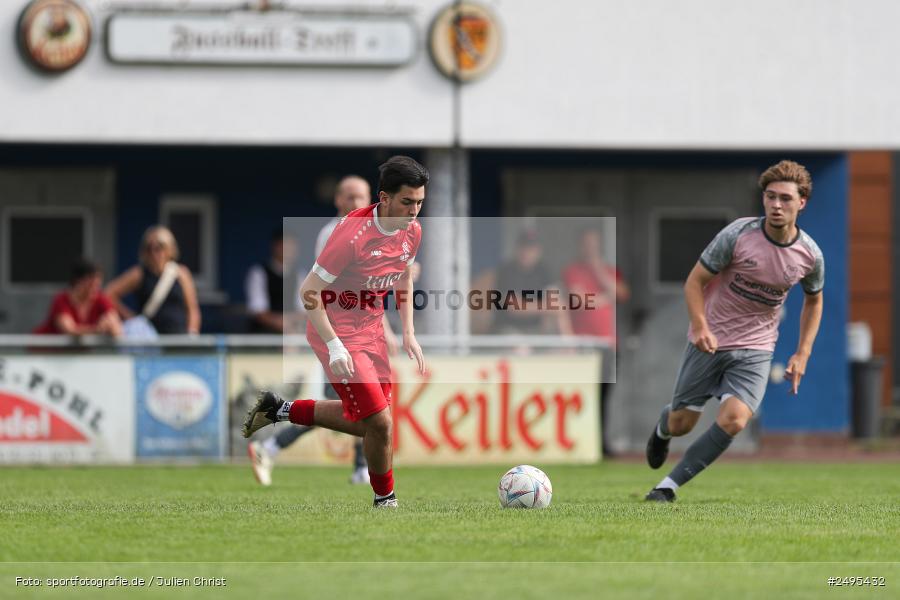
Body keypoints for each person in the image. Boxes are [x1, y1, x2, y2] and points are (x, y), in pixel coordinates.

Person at [242, 156, 428, 508]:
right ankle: (385, 500)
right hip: (337, 328)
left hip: (371, 328)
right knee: (382, 423)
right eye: (407, 202)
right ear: (384, 197)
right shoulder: (349, 235)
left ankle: (280, 409)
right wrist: (334, 345)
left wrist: (407, 332)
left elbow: (403, 275)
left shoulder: (412, 231)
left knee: (367, 424)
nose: (414, 211)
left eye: (420, 202)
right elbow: (308, 292)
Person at [644, 160, 824, 502]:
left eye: (785, 199)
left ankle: (666, 488)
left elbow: (814, 302)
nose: (776, 205)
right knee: (683, 423)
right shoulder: (738, 235)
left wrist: (802, 353)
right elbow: (695, 282)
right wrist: (699, 325)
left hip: (756, 349)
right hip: (710, 341)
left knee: (735, 420)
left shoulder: (809, 256)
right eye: (770, 197)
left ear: (802, 203)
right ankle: (662, 428)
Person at [247, 176, 392, 486]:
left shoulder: (370, 231)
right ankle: (278, 436)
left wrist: (387, 329)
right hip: (342, 334)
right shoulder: (336, 232)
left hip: (363, 333)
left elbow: (371, 291)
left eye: (361, 197)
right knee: (356, 408)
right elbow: (332, 290)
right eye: (350, 197)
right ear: (338, 201)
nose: (356, 203)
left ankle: (354, 466)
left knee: (363, 408)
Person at [562, 228, 630, 457]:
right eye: (586, 243)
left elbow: (620, 294)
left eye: (594, 243)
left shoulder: (608, 271)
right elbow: (581, 301)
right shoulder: (573, 271)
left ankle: (602, 443)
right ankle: (578, 442)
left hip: (607, 343)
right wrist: (604, 298)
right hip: (584, 343)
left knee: (604, 396)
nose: (590, 248)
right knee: (582, 395)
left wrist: (599, 270)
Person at [105, 225, 201, 335]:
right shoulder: (139, 274)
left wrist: (192, 333)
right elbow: (109, 293)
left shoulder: (181, 273)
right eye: (149, 248)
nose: (155, 253)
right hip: (149, 339)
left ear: (170, 249)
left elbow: (192, 309)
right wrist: (130, 317)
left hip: (179, 338)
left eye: (160, 247)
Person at [34, 259, 122, 337]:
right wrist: (97, 329)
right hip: (45, 352)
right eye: (90, 282)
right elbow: (70, 330)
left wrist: (109, 325)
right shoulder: (61, 300)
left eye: (97, 282)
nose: (95, 286)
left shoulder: (101, 299)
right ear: (77, 280)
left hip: (75, 354)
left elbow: (116, 328)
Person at [244, 231, 301, 333]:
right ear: (275, 246)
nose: (289, 250)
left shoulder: (300, 275)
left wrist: (290, 323)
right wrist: (281, 323)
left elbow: (304, 310)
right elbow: (259, 311)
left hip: (294, 330)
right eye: (285, 245)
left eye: (292, 246)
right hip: (264, 334)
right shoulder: (259, 273)